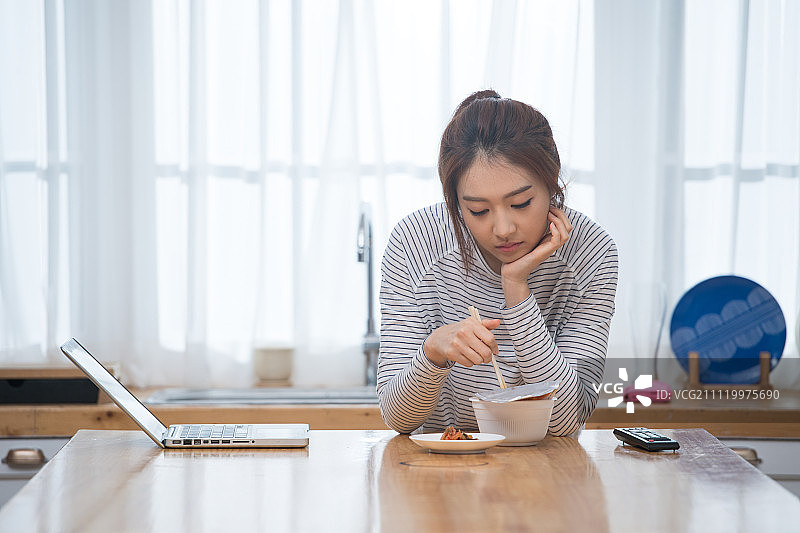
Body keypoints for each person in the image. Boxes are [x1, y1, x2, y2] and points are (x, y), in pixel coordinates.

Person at [377, 90, 618, 437]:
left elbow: (566, 420)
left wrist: (517, 290)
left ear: (552, 183)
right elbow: (398, 419)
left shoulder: (591, 252)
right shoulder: (416, 241)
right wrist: (432, 352)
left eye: (521, 203)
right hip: (439, 476)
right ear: (455, 202)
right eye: (478, 211)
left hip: (545, 475)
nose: (503, 230)